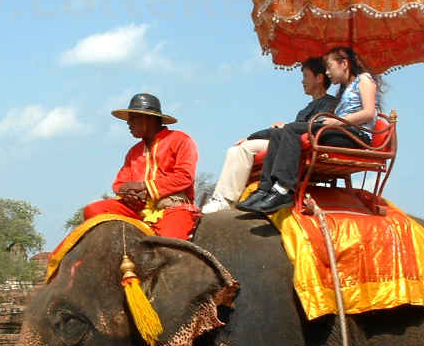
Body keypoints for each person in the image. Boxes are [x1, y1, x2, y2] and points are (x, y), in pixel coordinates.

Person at [237, 47, 381, 214]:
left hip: (355, 136)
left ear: (344, 64)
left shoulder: (364, 80)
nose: (327, 72)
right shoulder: (344, 89)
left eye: (329, 66)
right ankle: (265, 188)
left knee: (291, 129)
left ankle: (284, 188)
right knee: (279, 133)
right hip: (339, 131)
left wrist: (336, 121)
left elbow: (369, 112)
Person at [201, 58, 337, 214]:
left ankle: (226, 199)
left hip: (297, 146)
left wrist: (254, 136)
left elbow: (309, 129)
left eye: (306, 76)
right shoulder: (306, 108)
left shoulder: (329, 104)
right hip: (288, 142)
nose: (302, 81)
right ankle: (223, 198)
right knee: (235, 150)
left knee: (246, 148)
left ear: (319, 78)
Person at [83, 93, 200, 240]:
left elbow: (184, 177)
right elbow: (119, 183)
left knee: (167, 245)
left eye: (133, 118)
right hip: (137, 210)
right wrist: (128, 192)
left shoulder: (181, 140)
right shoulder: (134, 151)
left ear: (148, 118)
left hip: (172, 208)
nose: (128, 124)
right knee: (93, 210)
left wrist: (144, 187)